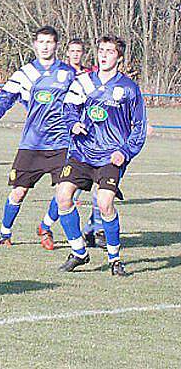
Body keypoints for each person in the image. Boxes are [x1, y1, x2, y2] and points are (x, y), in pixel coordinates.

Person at [55, 35, 147, 276]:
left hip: (110, 156)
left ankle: (115, 259)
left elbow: (139, 127)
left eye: (110, 51)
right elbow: (69, 108)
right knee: (63, 196)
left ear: (119, 57)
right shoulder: (83, 82)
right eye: (101, 50)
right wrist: (73, 123)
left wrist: (125, 151)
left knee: (105, 202)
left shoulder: (129, 88)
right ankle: (78, 252)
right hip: (82, 151)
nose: (104, 55)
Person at [0, 26, 76, 250]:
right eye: (41, 42)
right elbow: (5, 97)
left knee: (67, 190)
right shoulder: (24, 74)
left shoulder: (69, 74)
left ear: (56, 45)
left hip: (62, 143)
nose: (45, 46)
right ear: (34, 45)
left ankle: (45, 225)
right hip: (32, 144)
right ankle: (5, 232)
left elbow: (82, 101)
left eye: (49, 42)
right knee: (18, 191)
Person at [65, 38, 106, 248]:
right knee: (65, 191)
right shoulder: (60, 73)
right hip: (61, 136)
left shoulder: (88, 77)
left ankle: (94, 230)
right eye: (72, 51)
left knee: (98, 189)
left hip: (86, 140)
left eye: (79, 51)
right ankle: (46, 225)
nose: (75, 54)